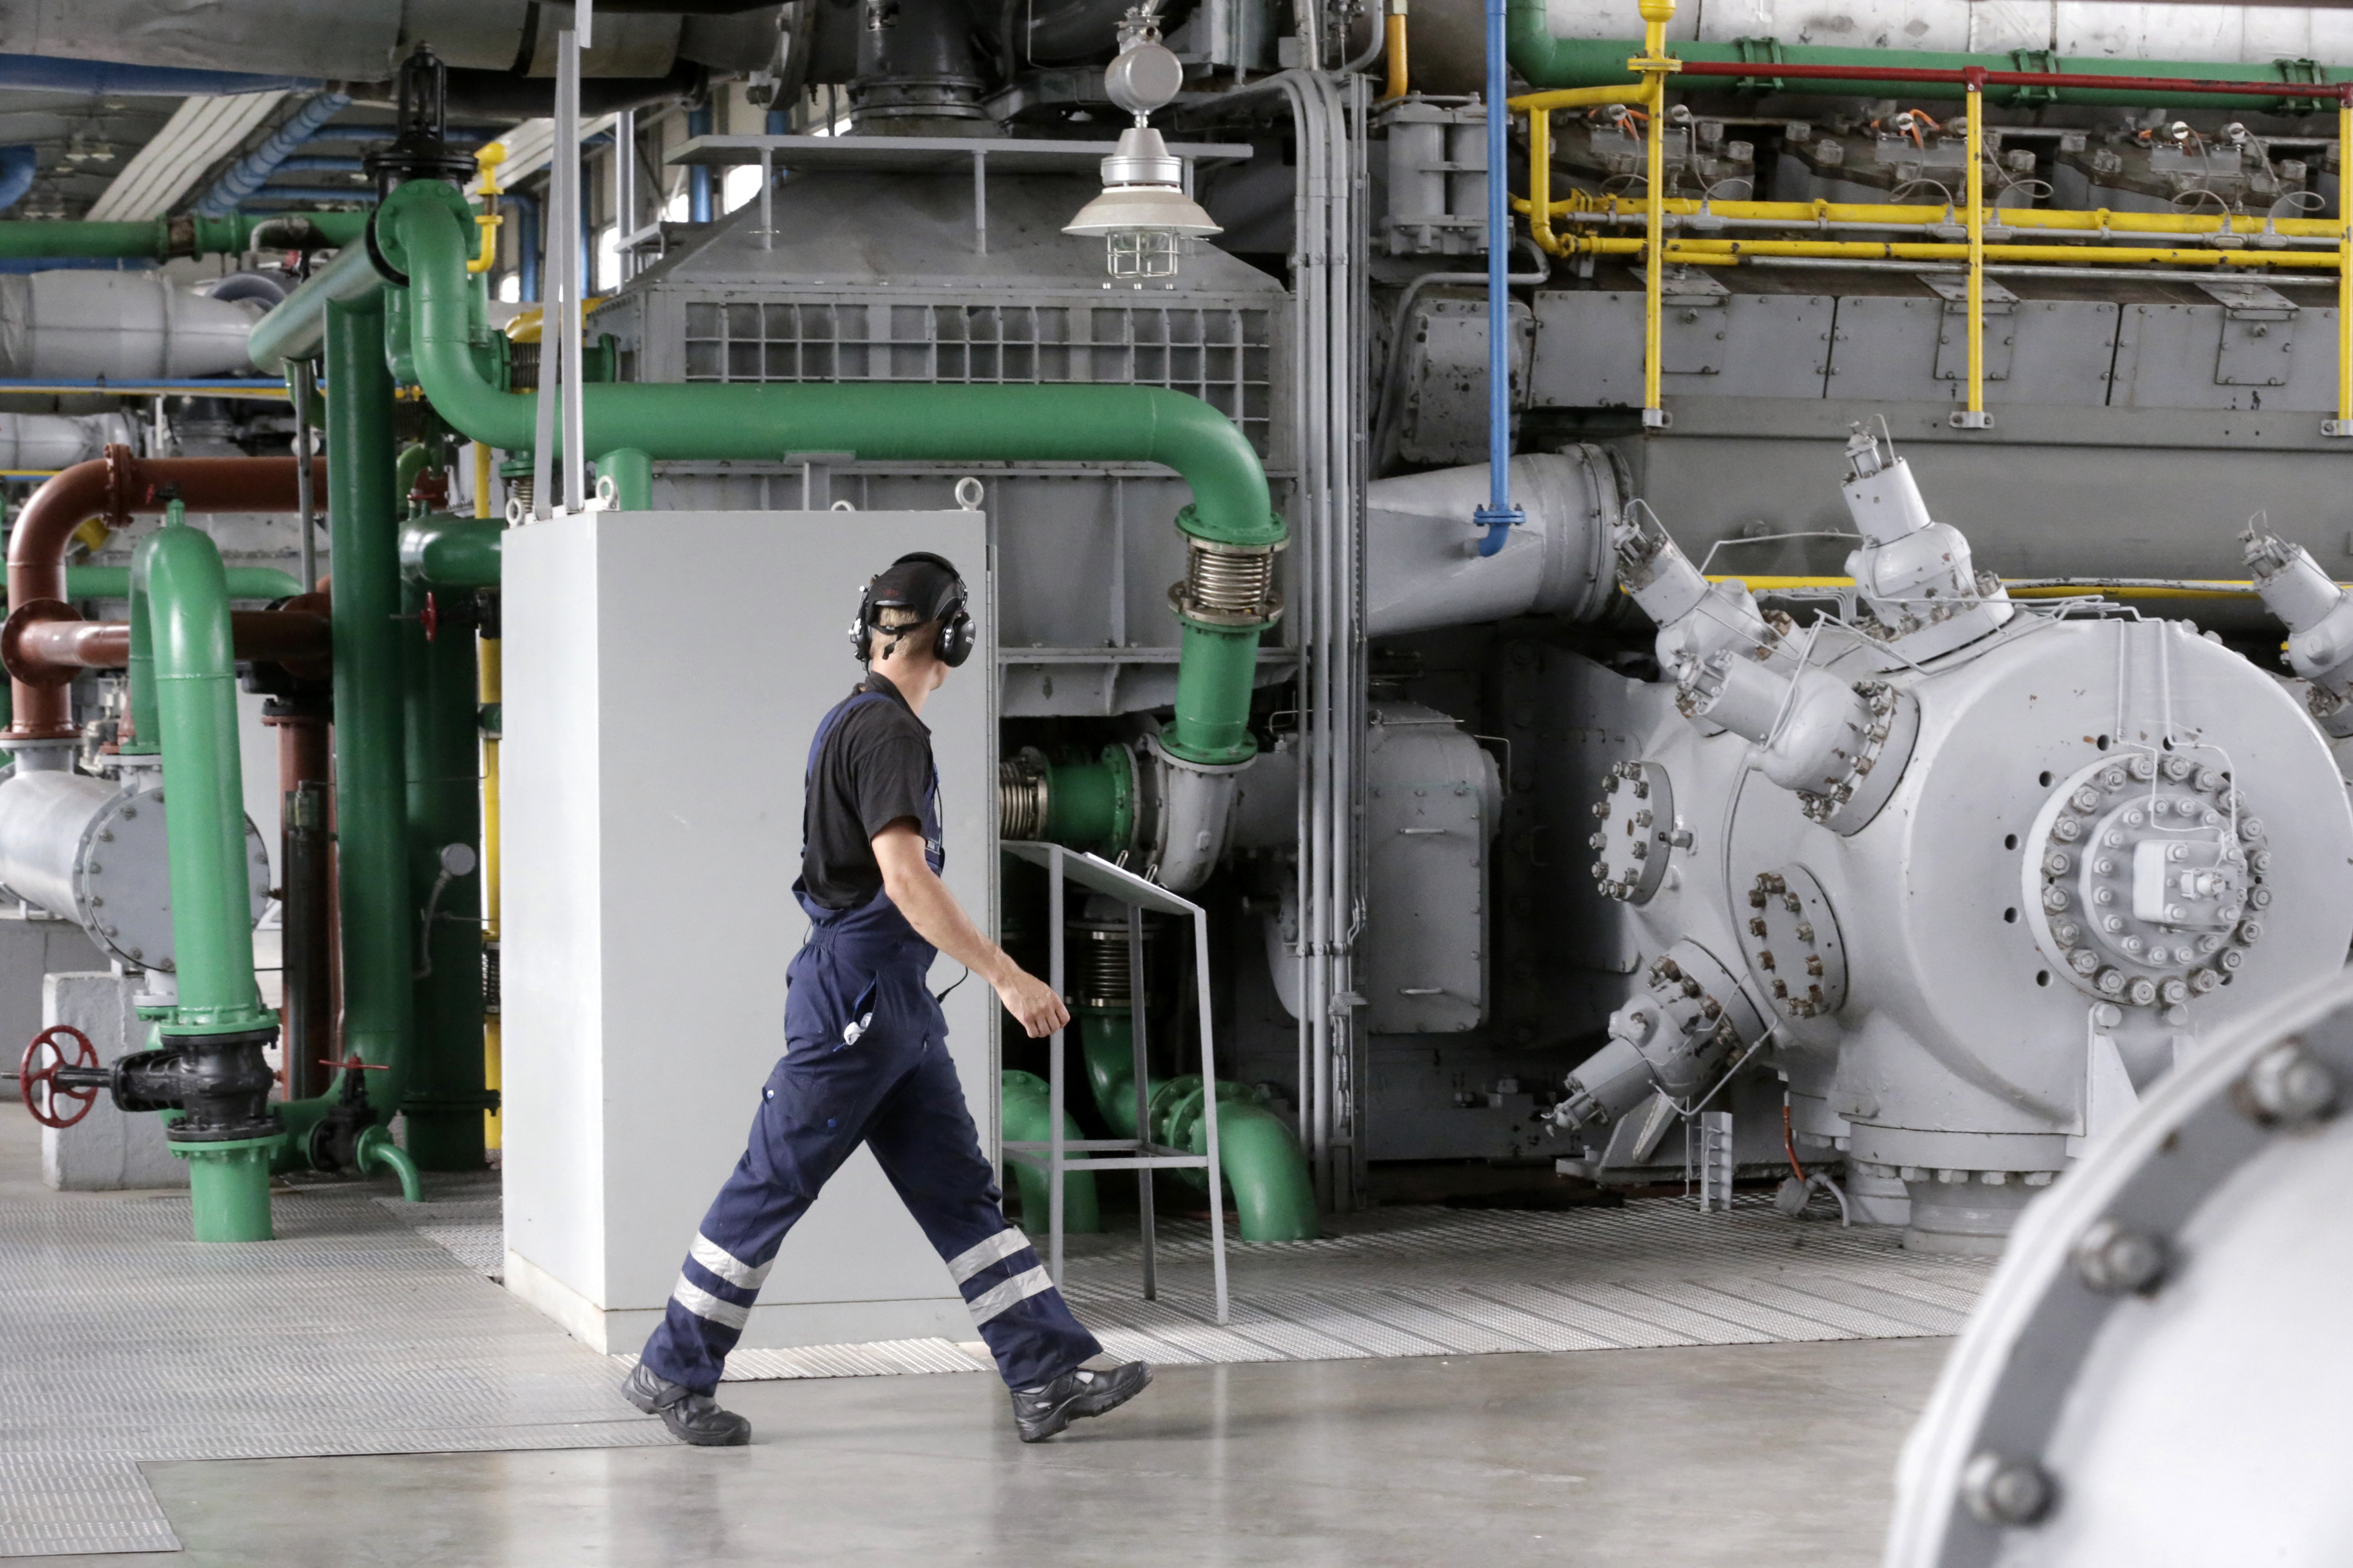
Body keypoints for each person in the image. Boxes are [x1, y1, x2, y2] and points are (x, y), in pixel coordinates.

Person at [621, 552, 1151, 1446]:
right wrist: (1006, 973)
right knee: (774, 1181)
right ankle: (671, 1367)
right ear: (952, 634)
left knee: (960, 1195)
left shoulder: (870, 723)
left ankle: (1044, 1373)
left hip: (891, 1003)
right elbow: (904, 879)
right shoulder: (888, 732)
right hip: (855, 1003)